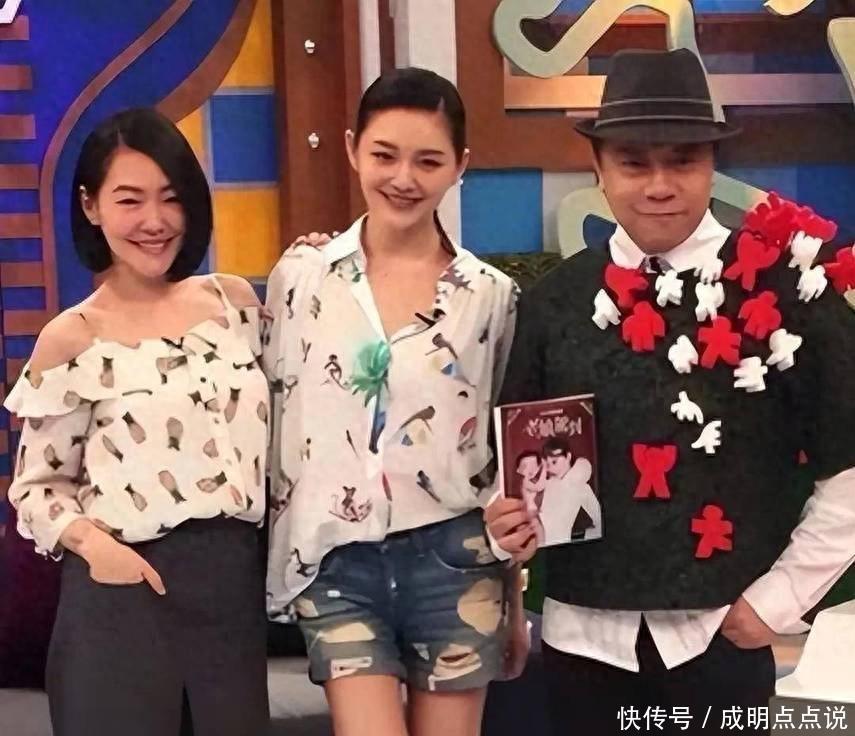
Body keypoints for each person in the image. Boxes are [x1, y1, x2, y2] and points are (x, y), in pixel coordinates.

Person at [485, 49, 855, 735]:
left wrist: (777, 601)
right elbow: (509, 463)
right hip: (579, 641)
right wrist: (504, 523)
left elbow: (850, 462)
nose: (659, 185)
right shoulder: (554, 303)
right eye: (633, 163)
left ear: (713, 165)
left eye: (682, 161)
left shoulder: (785, 292)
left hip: (720, 638)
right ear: (598, 169)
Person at [264, 67, 529, 736]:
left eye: (428, 161)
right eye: (384, 155)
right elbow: (276, 414)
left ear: (460, 166)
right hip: (337, 561)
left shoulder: (490, 296)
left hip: (457, 559)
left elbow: (504, 451)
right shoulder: (301, 278)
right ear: (352, 149)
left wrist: (515, 594)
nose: (403, 178)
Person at [4, 108, 271, 736]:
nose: (155, 221)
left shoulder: (234, 304)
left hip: (231, 594)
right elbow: (36, 489)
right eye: (130, 200)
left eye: (171, 198)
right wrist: (100, 551)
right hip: (121, 595)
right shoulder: (71, 337)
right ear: (91, 206)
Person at [539, 438, 600, 544]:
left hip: (561, 542)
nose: (550, 467)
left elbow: (598, 520)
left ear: (568, 457)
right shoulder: (548, 484)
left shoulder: (581, 487)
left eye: (554, 461)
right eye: (548, 464)